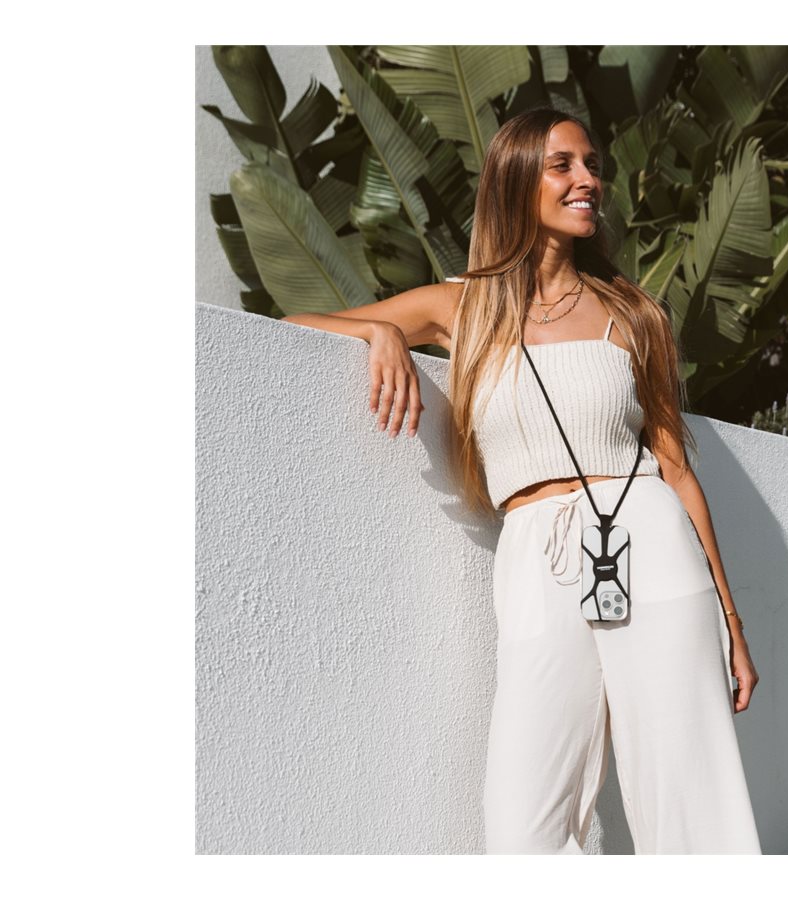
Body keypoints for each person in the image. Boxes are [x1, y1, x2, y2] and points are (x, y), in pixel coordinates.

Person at [282, 107, 762, 854]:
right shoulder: (462, 306)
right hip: (537, 553)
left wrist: (732, 622)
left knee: (690, 795)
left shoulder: (634, 315)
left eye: (592, 164)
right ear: (514, 180)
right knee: (522, 823)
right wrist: (381, 331)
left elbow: (674, 468)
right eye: (562, 165)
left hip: (652, 541)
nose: (587, 179)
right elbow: (295, 324)